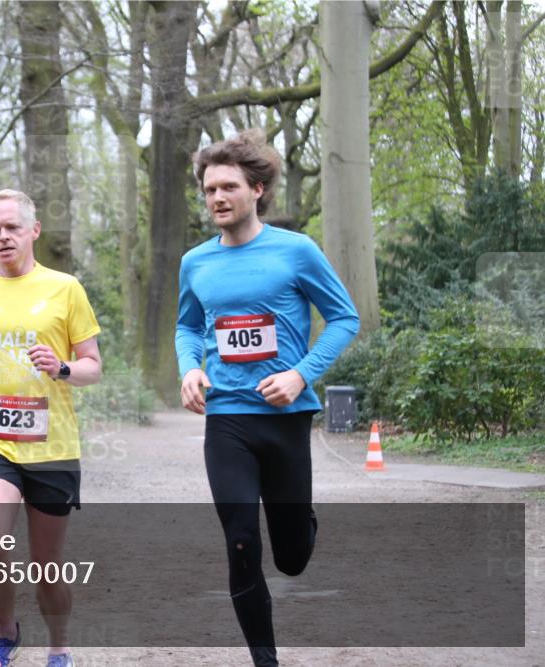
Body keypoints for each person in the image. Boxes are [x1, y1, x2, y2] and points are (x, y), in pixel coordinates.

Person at [175, 130, 359, 667]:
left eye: (228, 187)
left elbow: (345, 318)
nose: (216, 199)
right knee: (239, 540)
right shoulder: (196, 263)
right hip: (227, 418)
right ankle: (265, 660)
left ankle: (303, 525)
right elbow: (187, 326)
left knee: (292, 558)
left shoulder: (296, 251)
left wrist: (301, 376)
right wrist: (190, 369)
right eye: (209, 190)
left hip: (285, 418)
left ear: (257, 189)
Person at [0, 189, 102, 667]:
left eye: (12, 228)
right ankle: (7, 632)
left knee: (46, 566)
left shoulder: (66, 288)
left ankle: (58, 647)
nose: (2, 237)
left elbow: (93, 367)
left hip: (51, 445)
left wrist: (60, 368)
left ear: (34, 230)